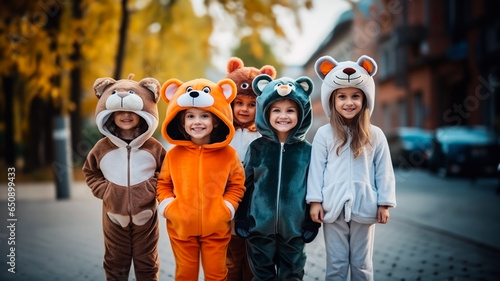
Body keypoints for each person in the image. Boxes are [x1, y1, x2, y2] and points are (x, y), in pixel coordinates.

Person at [307, 55, 397, 281]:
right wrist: (315, 201)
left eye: (356, 96)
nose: (349, 102)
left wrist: (384, 203)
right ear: (332, 100)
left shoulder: (375, 134)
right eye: (342, 97)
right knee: (336, 264)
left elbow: (384, 169)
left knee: (362, 264)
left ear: (365, 99)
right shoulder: (324, 134)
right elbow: (316, 169)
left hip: (365, 207)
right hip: (332, 208)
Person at [156, 78, 246, 280]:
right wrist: (169, 207)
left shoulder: (228, 155)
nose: (197, 122)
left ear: (215, 121)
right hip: (181, 228)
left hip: (216, 229)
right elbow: (163, 185)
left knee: (217, 274)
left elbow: (237, 185)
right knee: (185, 274)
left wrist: (227, 208)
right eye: (190, 116)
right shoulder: (173, 155)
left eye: (205, 116)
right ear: (182, 120)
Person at [234, 74, 321, 280]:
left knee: (293, 273)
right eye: (276, 110)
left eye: (290, 110)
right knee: (262, 275)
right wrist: (242, 219)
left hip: (294, 230)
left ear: (302, 113)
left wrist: (310, 223)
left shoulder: (306, 151)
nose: (284, 116)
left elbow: (313, 188)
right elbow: (246, 186)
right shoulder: (257, 148)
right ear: (266, 113)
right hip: (259, 229)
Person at [83, 75, 166, 280]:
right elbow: (90, 171)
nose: (125, 115)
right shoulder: (101, 148)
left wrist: (151, 187)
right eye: (120, 111)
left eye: (131, 111)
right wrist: (105, 190)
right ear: (110, 114)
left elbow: (167, 173)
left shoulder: (154, 147)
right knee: (115, 263)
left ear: (143, 114)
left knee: (147, 262)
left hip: (146, 217)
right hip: (113, 215)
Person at [224, 57, 276, 281]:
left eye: (252, 104)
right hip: (228, 203)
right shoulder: (223, 134)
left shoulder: (265, 135)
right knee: (231, 257)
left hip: (256, 205)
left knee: (254, 259)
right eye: (239, 103)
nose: (244, 109)